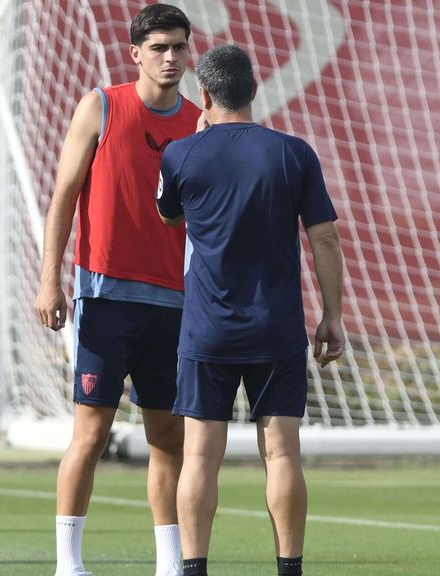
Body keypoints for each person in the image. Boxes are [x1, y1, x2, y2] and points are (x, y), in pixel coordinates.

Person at [155, 44, 344, 576]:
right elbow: (325, 238)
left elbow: (169, 216)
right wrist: (332, 315)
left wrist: (198, 141)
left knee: (199, 457)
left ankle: (194, 568)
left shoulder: (181, 154)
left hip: (207, 328)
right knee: (282, 454)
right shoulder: (293, 153)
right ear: (255, 91)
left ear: (204, 94)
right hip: (275, 326)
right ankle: (289, 568)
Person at [32, 4, 200, 575]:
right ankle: (68, 564)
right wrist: (50, 279)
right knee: (91, 433)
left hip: (175, 304)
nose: (170, 58)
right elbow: (63, 196)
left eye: (179, 47)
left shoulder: (199, 123)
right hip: (105, 298)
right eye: (159, 48)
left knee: (167, 438)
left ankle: (170, 564)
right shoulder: (101, 106)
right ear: (135, 54)